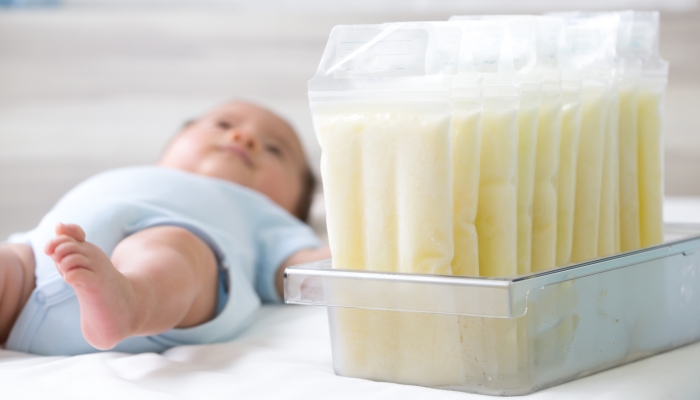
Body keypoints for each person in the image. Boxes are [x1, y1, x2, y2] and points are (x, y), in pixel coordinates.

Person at [0, 101, 330, 355]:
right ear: (175, 142)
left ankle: (130, 300)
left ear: (295, 205)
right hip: (36, 262)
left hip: (159, 305)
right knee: (9, 260)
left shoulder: (266, 215)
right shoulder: (140, 174)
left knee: (175, 246)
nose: (244, 138)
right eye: (223, 124)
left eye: (275, 149)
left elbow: (307, 267)